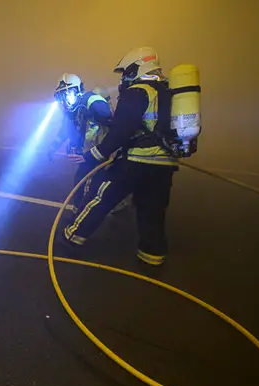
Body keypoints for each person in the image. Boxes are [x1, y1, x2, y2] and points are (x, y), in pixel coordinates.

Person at [58, 47, 177, 266]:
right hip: (164, 164)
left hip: (136, 161)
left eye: (126, 71)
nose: (124, 78)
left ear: (137, 68)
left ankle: (71, 238)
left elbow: (119, 132)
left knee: (101, 198)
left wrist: (93, 155)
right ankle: (151, 259)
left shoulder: (137, 92)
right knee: (152, 212)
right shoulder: (168, 92)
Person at [48, 73, 114, 214]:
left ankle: (79, 215)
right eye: (62, 95)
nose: (66, 99)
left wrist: (108, 149)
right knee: (88, 184)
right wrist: (53, 147)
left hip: (98, 155)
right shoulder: (71, 111)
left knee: (85, 187)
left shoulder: (90, 101)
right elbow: (65, 130)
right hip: (88, 155)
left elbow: (111, 121)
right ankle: (82, 211)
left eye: (68, 93)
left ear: (78, 90)